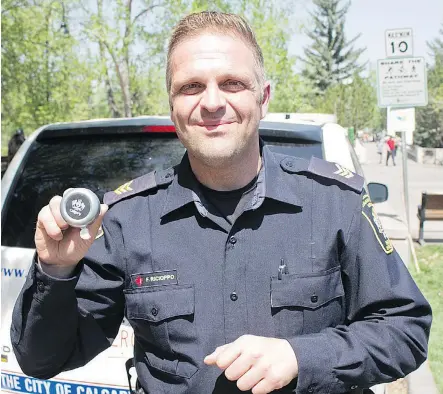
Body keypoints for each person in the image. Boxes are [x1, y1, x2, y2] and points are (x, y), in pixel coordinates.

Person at [11, 11, 431, 394]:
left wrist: (303, 357)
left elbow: (405, 329)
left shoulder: (334, 203)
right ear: (173, 107)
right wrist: (56, 270)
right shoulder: (126, 218)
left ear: (263, 97)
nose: (212, 102)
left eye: (232, 83)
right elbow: (40, 358)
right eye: (191, 87)